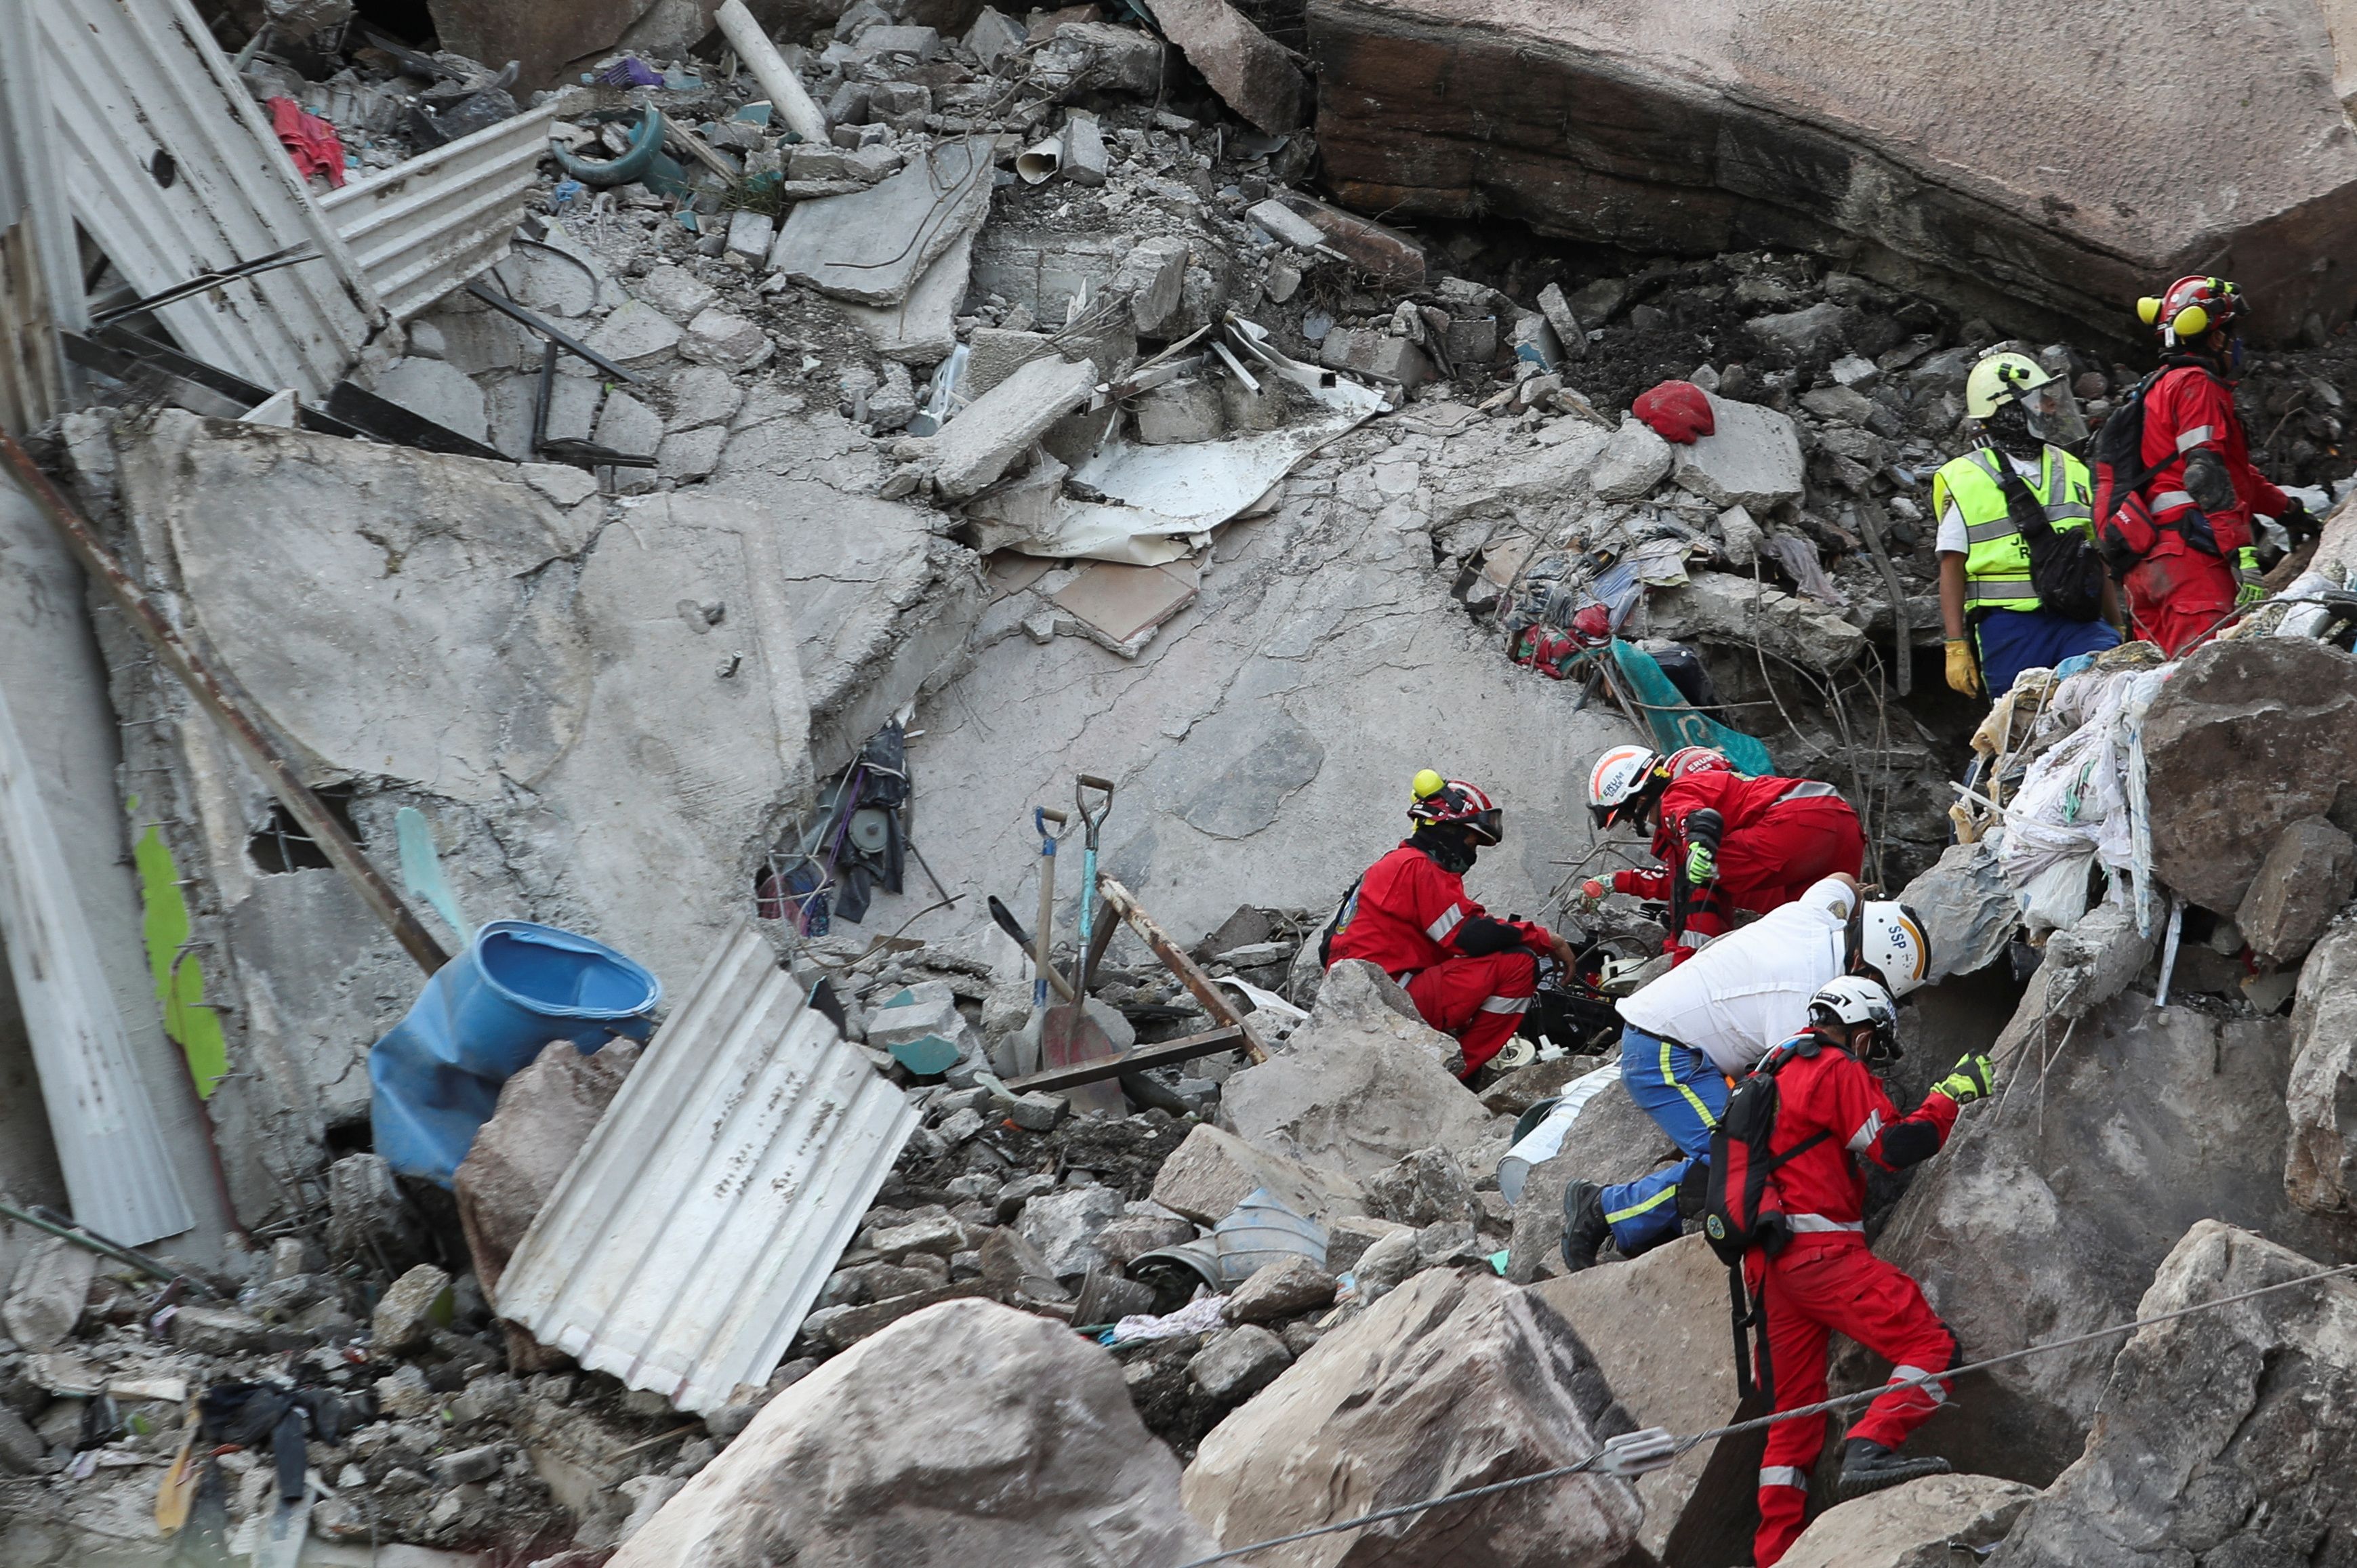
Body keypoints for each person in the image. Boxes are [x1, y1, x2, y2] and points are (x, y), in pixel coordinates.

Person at [1738, 976, 1994, 1565]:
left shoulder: (1769, 1072)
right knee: (1933, 1346)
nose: (1874, 1057)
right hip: (1822, 1256)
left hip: (1771, 1270)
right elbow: (1897, 1147)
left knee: (1793, 1421)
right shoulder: (1830, 1069)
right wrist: (1951, 1094)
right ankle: (1870, 1447)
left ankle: (1773, 1554)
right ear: (1857, 1029)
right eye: (1873, 1041)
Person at [1557, 876, 1929, 1264]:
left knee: (1738, 1148)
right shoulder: (1803, 995)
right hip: (1666, 1053)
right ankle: (1604, 1208)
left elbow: (1842, 882)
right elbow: (1798, 1092)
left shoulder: (1819, 917)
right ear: (1861, 965)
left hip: (1678, 1039)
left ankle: (1646, 1229)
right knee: (1738, 1159)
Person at [2100, 275, 2305, 657]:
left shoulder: (2153, 388)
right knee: (2202, 681)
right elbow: (2204, 473)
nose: (2236, 344)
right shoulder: (2197, 385)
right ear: (2215, 339)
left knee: (2157, 689)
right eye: (2232, 333)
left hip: (2147, 567)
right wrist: (2239, 552)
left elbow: (2235, 476)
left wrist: (2290, 513)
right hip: (2191, 566)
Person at [1325, 771, 1576, 1077]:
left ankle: (1448, 1049)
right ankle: (1460, 1070)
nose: (1472, 853)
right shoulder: (1418, 868)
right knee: (1520, 964)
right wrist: (1545, 939)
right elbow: (1468, 935)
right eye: (1473, 841)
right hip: (1390, 1001)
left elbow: (1327, 947)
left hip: (1361, 1001)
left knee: (1465, 963)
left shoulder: (1391, 865)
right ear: (1450, 830)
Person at [1935, 351, 2122, 700]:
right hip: (2009, 628)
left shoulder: (2072, 468)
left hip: (2079, 619)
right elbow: (1952, 565)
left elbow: (2095, 556)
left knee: (2104, 695)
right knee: (2020, 725)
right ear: (2003, 411)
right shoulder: (1965, 477)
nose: (2050, 408)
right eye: (2039, 400)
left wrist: (2116, 624)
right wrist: (1955, 644)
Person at [1582, 744, 1866, 960]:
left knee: (1703, 875)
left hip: (1797, 825)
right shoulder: (1729, 795)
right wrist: (1616, 881)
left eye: (1630, 817)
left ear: (1641, 800)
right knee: (1814, 928)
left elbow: (1694, 823)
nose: (1635, 825)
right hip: (1840, 825)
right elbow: (1674, 877)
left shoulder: (1676, 795)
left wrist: (1680, 967)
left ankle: (1691, 969)